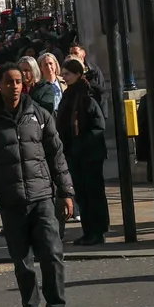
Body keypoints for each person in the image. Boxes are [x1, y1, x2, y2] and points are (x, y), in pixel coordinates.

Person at [0, 66, 78, 307]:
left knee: (52, 256)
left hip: (42, 198)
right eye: (9, 82)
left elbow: (57, 156)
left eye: (19, 81)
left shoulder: (40, 116)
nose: (15, 86)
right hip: (12, 203)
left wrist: (66, 192)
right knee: (24, 264)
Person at [59, 58, 110, 246]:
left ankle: (96, 232)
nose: (64, 77)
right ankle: (89, 231)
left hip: (89, 154)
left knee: (92, 194)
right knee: (82, 194)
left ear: (78, 74)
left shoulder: (86, 96)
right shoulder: (70, 94)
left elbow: (98, 125)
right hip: (75, 153)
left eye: (67, 74)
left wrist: (81, 144)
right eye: (63, 73)